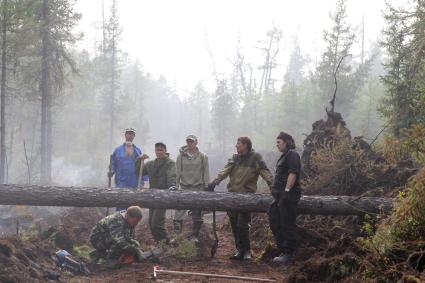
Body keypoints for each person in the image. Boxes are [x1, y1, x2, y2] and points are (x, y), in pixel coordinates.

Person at [208, 137, 273, 260]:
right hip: (232, 197)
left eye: (238, 144)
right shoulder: (234, 158)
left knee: (242, 225)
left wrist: (273, 187)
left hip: (247, 197)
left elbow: (265, 172)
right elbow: (224, 171)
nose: (236, 146)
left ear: (245, 145)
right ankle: (239, 250)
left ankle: (247, 251)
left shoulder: (256, 158)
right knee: (234, 224)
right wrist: (214, 183)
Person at [268, 132, 301, 265]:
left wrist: (287, 191)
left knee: (287, 224)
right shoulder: (284, 156)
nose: (277, 145)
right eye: (276, 142)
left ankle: (288, 254)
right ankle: (282, 250)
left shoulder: (293, 155)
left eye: (279, 142)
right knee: (274, 219)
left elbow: (292, 173)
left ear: (286, 142)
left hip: (288, 196)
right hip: (279, 196)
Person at [135, 142, 176, 243]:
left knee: (156, 223)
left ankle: (167, 242)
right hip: (152, 196)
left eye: (161, 150)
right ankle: (159, 243)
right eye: (157, 150)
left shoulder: (170, 163)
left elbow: (172, 175)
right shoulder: (150, 164)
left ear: (165, 151)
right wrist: (139, 160)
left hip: (163, 196)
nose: (159, 152)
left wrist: (172, 186)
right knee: (151, 223)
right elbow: (138, 172)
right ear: (155, 151)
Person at [173, 135, 210, 242]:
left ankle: (195, 236)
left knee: (197, 212)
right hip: (184, 187)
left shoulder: (203, 156)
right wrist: (175, 186)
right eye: (188, 141)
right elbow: (177, 173)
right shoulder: (180, 156)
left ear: (196, 142)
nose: (190, 143)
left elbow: (206, 172)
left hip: (198, 188)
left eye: (192, 141)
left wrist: (206, 187)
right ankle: (177, 236)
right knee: (179, 211)